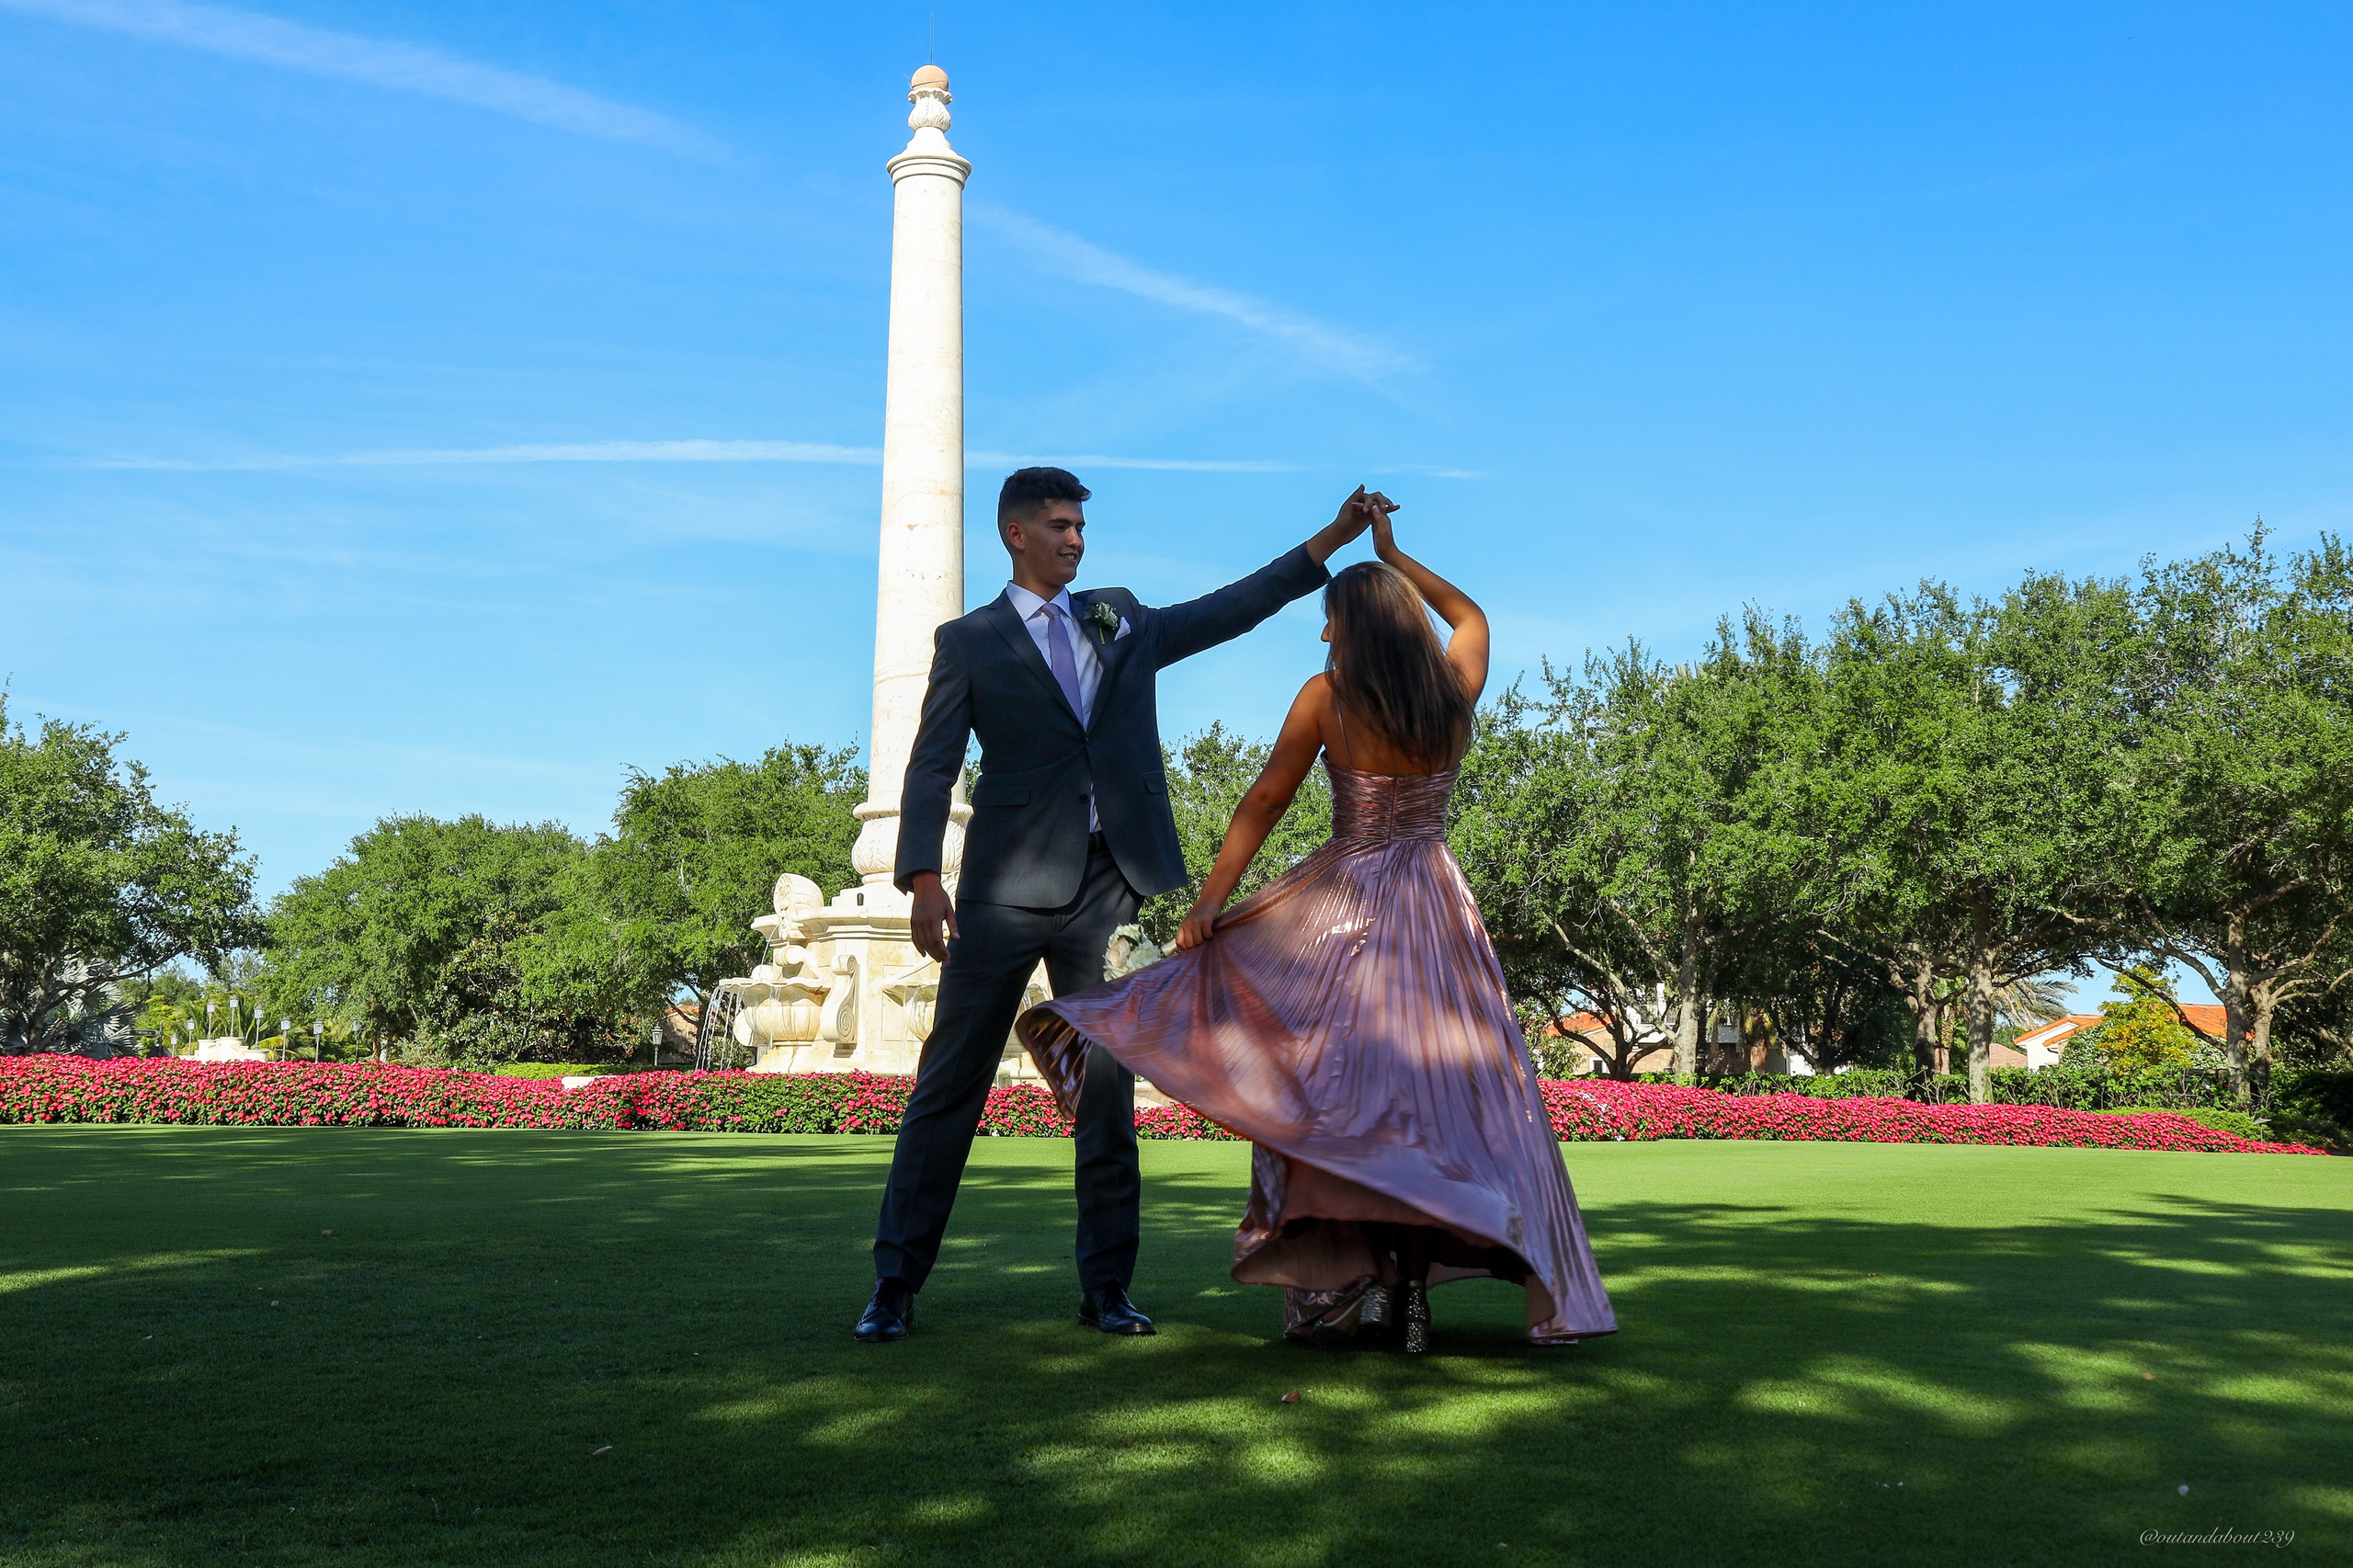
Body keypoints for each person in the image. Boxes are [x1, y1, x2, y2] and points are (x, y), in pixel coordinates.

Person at [1017, 494, 1616, 1351]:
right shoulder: (1453, 688)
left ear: (1351, 627)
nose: (1324, 635)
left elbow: (1265, 800)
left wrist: (1211, 905)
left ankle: (1354, 1287)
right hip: (1438, 910)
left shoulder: (1327, 698)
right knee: (1438, 1106)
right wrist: (1393, 554)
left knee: (1333, 1101)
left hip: (1347, 912)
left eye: (1331, 620)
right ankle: (1409, 1289)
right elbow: (1471, 614)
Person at [856, 467, 1381, 1344]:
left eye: (1081, 528)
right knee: (950, 1088)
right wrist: (922, 880)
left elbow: (1228, 610)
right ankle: (894, 1287)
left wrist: (1328, 542)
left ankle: (1107, 1291)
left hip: (1112, 888)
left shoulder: (1121, 613)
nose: (1076, 540)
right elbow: (932, 764)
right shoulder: (970, 641)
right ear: (1014, 533)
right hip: (1003, 892)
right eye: (1059, 526)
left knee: (1107, 1097)